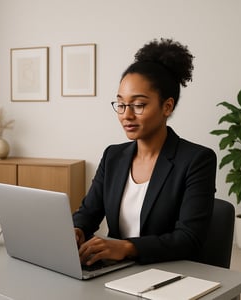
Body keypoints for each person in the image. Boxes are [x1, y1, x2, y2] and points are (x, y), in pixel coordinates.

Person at [73, 38, 217, 266]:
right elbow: (88, 212)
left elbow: (189, 239)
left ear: (167, 107)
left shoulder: (196, 160)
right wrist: (77, 229)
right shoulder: (113, 156)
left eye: (138, 105)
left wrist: (126, 247)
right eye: (121, 104)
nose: (126, 115)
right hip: (116, 271)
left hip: (167, 272)